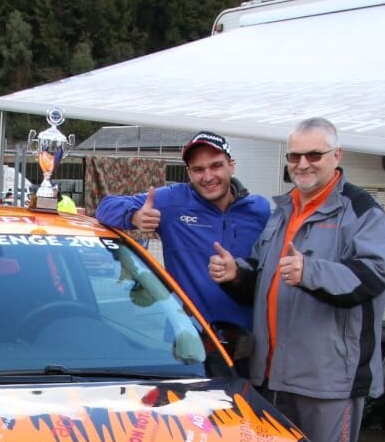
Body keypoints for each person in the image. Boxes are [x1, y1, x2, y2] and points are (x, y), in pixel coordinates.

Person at [209, 117, 385, 442]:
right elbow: (264, 276)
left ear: (337, 156)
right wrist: (236, 274)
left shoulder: (361, 211)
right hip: (272, 376)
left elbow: (373, 276)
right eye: (295, 156)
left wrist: (312, 272)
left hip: (329, 381)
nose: (303, 163)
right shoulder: (280, 209)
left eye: (314, 155)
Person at [95, 131, 269, 331]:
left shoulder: (259, 209)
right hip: (189, 340)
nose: (208, 176)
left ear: (232, 166)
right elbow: (105, 207)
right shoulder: (172, 201)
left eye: (216, 166)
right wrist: (134, 216)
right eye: (198, 169)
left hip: (247, 342)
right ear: (189, 173)